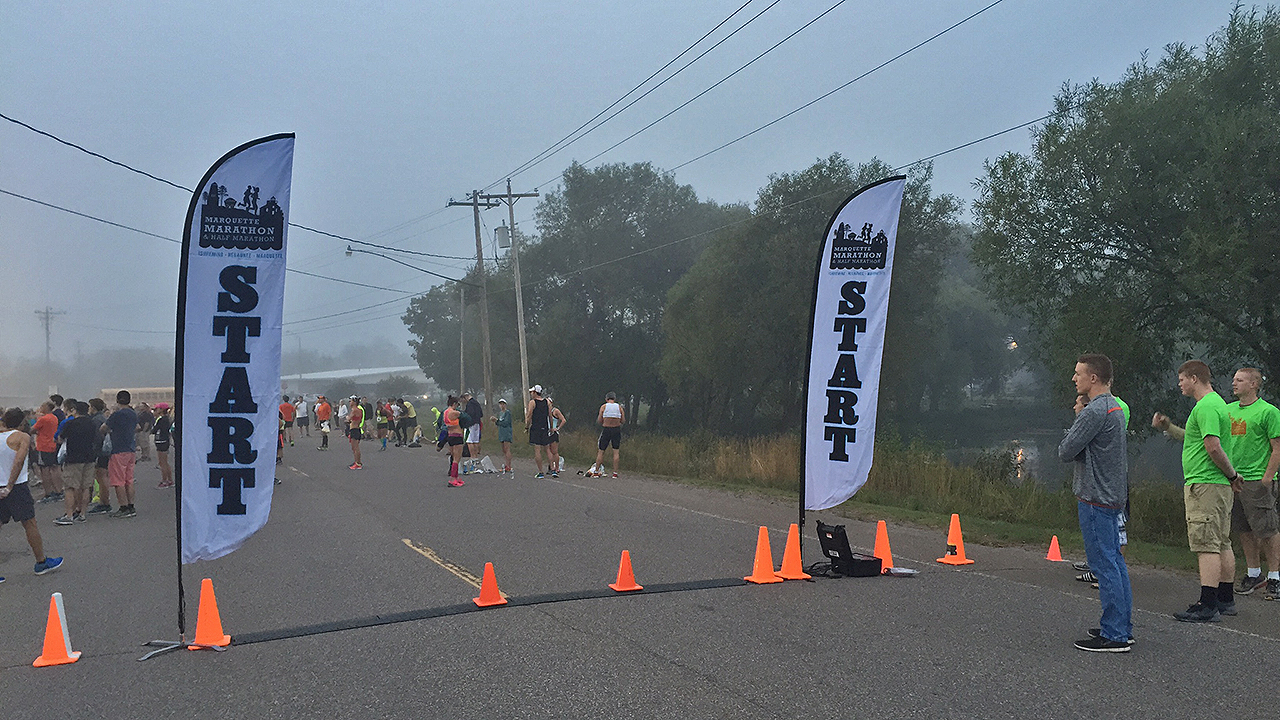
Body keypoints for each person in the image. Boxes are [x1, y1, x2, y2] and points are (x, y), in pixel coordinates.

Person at [1153, 360, 1240, 622]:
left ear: (1194, 378)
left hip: (1206, 484)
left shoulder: (1207, 406)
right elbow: (1195, 439)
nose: (1179, 384)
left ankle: (1207, 604)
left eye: (1182, 379)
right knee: (1221, 541)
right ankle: (1225, 598)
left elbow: (1212, 446)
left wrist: (1232, 475)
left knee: (1207, 544)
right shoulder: (1215, 405)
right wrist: (1169, 428)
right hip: (1216, 485)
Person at [1058, 354, 1132, 652]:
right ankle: (1122, 626)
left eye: (1078, 373)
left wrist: (1077, 419)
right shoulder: (1115, 408)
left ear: (1093, 378)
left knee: (1103, 564)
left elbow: (1066, 450)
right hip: (1112, 495)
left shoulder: (1093, 412)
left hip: (1095, 497)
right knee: (1115, 561)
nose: (1074, 378)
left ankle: (1114, 634)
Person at [1223, 367, 1280, 600]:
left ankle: (1275, 577)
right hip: (1235, 478)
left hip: (1258, 479)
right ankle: (1254, 573)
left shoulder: (1268, 412)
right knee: (1244, 528)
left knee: (1267, 529)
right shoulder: (1227, 410)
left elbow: (1277, 447)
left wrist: (1268, 478)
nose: (1234, 383)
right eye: (1234, 379)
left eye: (1240, 380)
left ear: (1254, 384)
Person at [0, 407, 63, 579]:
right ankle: (41, 562)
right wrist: (9, 486)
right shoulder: (22, 437)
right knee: (29, 523)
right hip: (16, 486)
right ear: (22, 422)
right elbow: (19, 460)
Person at [55, 401, 97, 524]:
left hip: (74, 458)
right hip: (89, 457)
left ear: (75, 410)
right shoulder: (92, 423)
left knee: (70, 487)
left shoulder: (70, 423)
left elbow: (60, 438)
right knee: (86, 487)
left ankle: (69, 515)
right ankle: (82, 514)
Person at [101, 390, 138, 518]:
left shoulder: (116, 415)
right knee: (129, 479)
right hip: (130, 448)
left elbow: (103, 428)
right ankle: (131, 506)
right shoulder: (133, 414)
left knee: (118, 480)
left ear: (117, 400)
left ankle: (123, 507)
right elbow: (137, 427)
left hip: (118, 449)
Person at [31, 401, 64, 503]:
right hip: (52, 444)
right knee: (54, 468)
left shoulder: (43, 419)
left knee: (44, 470)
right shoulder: (54, 417)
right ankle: (58, 490)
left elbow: (32, 429)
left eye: (42, 406)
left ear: (47, 407)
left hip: (43, 446)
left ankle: (48, 492)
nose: (40, 407)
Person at [85, 398, 112, 515]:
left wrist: (93, 451)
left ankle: (104, 502)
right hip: (105, 450)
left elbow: (97, 438)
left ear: (93, 408)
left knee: (101, 476)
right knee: (102, 475)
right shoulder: (103, 418)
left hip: (100, 451)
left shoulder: (96, 420)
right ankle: (104, 500)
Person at [590, 391, 626, 478]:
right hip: (616, 430)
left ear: (606, 399)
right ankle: (615, 473)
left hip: (606, 429)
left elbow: (599, 420)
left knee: (601, 451)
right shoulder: (619, 407)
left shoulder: (604, 407)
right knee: (616, 451)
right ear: (614, 399)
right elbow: (623, 420)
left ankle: (596, 471)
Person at [525, 385, 551, 478]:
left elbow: (529, 415)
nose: (531, 394)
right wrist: (551, 427)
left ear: (535, 392)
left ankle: (540, 471)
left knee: (537, 449)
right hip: (545, 427)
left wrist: (527, 426)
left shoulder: (532, 402)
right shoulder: (547, 402)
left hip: (536, 427)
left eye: (532, 392)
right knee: (547, 449)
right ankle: (553, 469)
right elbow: (550, 416)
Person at [443, 395, 465, 486]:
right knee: (457, 458)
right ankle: (453, 479)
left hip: (450, 435)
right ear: (454, 404)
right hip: (457, 435)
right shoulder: (454, 412)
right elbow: (464, 415)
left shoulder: (445, 412)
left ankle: (456, 477)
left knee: (454, 456)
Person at [153, 403, 173, 488]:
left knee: (162, 463)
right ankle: (170, 480)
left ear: (161, 410)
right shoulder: (166, 418)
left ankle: (164, 481)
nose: (155, 411)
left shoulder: (161, 419)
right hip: (164, 441)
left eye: (157, 409)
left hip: (161, 441)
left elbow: (154, 430)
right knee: (165, 462)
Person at [491, 399, 513, 474]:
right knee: (503, 449)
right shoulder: (500, 413)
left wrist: (497, 420)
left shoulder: (507, 413)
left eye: (503, 404)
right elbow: (499, 423)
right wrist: (495, 421)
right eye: (500, 404)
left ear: (505, 405)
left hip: (507, 432)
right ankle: (506, 464)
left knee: (507, 449)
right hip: (501, 432)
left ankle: (509, 465)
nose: (501, 405)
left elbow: (506, 423)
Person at [547, 397, 567, 477]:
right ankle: (551, 467)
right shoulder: (545, 411)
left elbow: (563, 420)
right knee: (548, 450)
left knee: (554, 451)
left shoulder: (555, 411)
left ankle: (557, 467)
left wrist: (557, 428)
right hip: (547, 432)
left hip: (553, 433)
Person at [346, 397, 364, 470]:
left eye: (351, 401)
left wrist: (347, 418)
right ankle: (357, 461)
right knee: (354, 448)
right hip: (356, 429)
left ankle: (358, 463)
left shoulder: (355, 410)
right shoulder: (359, 410)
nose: (350, 403)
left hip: (354, 429)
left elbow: (348, 419)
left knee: (355, 448)